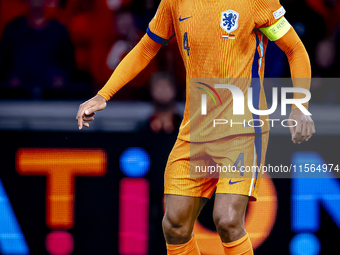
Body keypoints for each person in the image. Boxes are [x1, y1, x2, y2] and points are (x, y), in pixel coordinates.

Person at [76, 0, 316, 254]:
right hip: (196, 130)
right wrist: (104, 94)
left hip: (243, 128)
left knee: (227, 219)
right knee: (174, 225)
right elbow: (147, 46)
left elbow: (295, 50)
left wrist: (300, 106)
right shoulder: (174, 2)